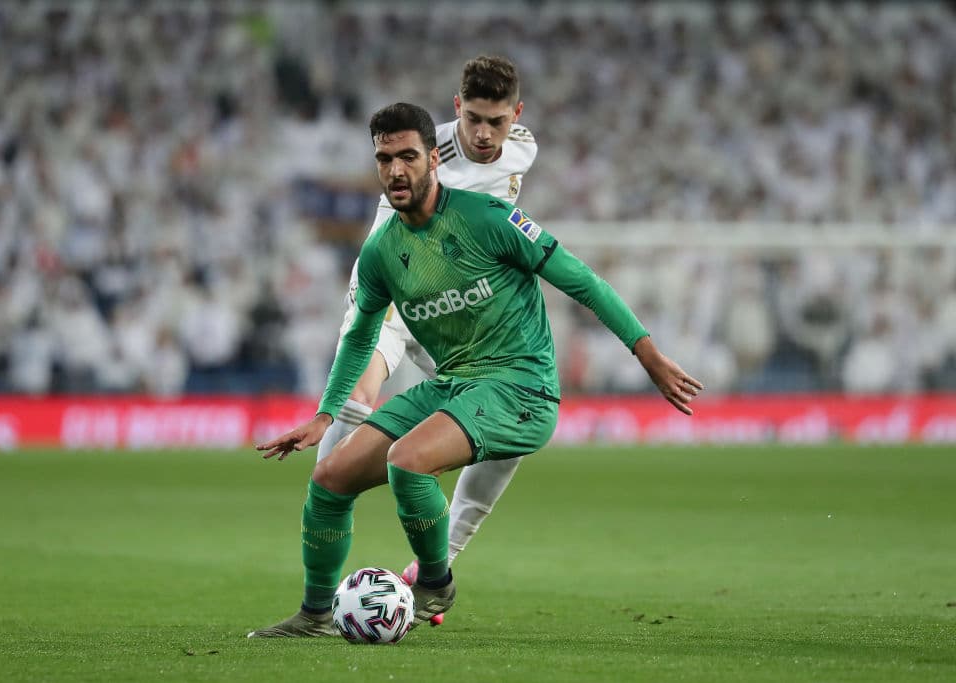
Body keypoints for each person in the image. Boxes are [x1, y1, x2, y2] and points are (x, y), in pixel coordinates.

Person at [247, 102, 702, 638]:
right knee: (328, 480)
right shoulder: (381, 251)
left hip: (521, 387)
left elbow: (582, 280)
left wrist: (646, 353)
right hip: (454, 384)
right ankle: (316, 614)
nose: (396, 170)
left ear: (434, 158)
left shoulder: (488, 219)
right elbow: (362, 334)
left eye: (408, 156)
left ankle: (435, 583)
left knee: (408, 461)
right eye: (384, 158)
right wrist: (326, 416)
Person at [315, 56, 537, 608]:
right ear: (456, 108)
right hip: (393, 294)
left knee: (509, 427)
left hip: (455, 319)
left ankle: (436, 567)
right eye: (474, 120)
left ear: (516, 115)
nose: (485, 134)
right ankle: (323, 511)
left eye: (497, 121)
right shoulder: (421, 150)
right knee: (356, 403)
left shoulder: (524, 146)